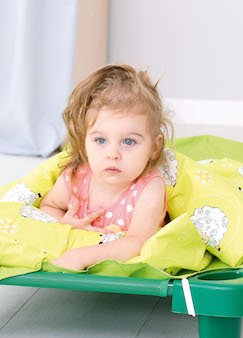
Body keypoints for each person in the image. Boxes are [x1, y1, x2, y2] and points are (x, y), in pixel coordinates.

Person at [39, 65, 172, 271]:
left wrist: (82, 256)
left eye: (129, 141)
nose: (113, 154)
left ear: (155, 147)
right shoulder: (77, 177)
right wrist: (64, 223)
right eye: (100, 140)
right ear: (84, 141)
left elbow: (138, 243)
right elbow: (47, 207)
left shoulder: (149, 187)